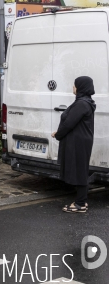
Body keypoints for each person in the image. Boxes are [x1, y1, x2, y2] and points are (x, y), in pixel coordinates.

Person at [52, 76, 96, 213]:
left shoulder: (82, 104)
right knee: (80, 169)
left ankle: (80, 204)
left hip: (79, 142)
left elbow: (69, 123)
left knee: (80, 170)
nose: (73, 87)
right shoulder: (84, 102)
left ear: (81, 87)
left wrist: (58, 134)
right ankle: (81, 201)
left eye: (75, 85)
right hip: (80, 140)